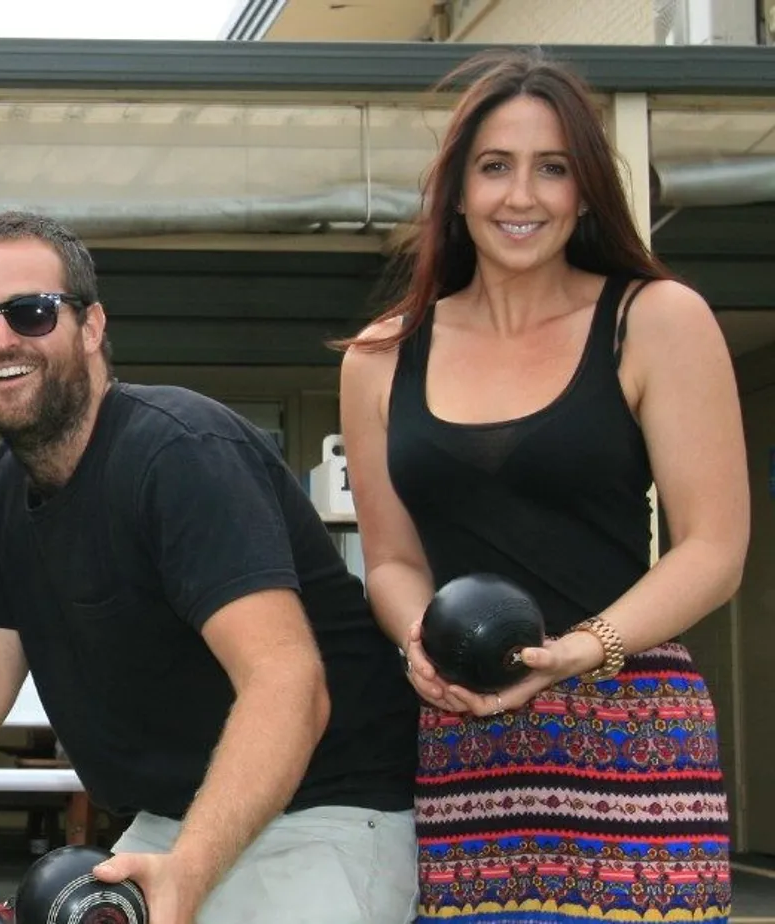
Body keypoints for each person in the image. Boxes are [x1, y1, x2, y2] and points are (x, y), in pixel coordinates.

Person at [0, 211, 421, 924]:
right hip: (172, 820)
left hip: (323, 813)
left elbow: (288, 684)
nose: (1, 340)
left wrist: (187, 871)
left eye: (31, 313)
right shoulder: (2, 488)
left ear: (91, 326)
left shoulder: (180, 455)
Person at [337, 48, 745, 923]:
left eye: (552, 168)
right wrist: (418, 642)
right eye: (495, 167)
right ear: (455, 191)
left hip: (635, 745)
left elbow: (714, 549)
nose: (521, 197)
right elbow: (392, 561)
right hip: (467, 744)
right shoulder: (380, 357)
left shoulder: (657, 320)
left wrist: (583, 648)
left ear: (587, 191)